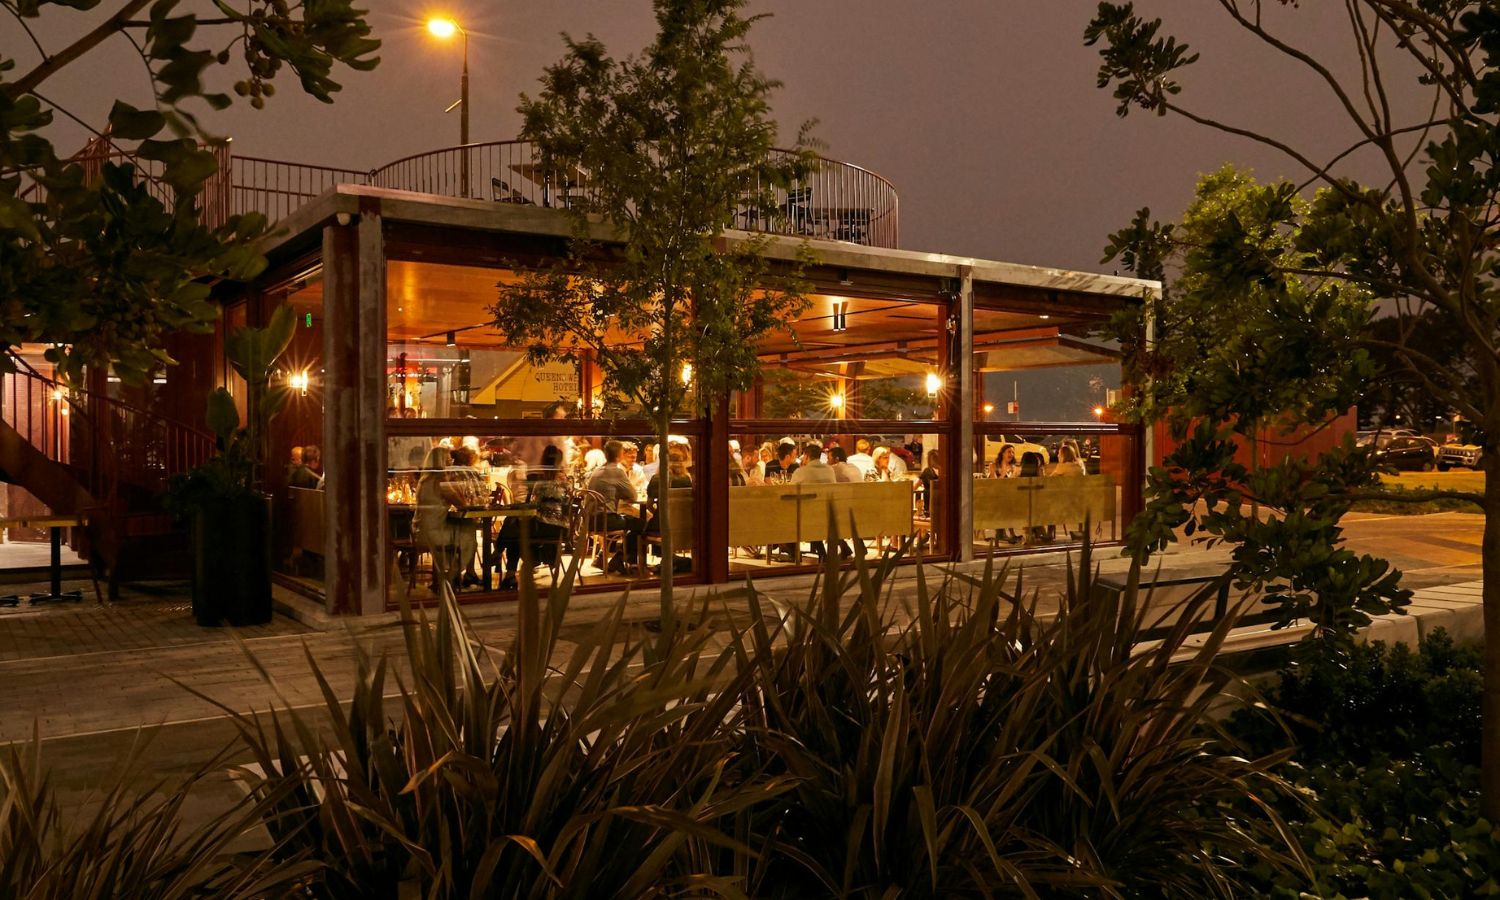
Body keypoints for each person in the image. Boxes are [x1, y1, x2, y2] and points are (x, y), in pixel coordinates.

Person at [493, 444, 570, 590]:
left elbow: (534, 505)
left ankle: (501, 557)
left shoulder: (541, 483)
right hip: (560, 528)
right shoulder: (566, 482)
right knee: (515, 529)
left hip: (545, 527)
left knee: (513, 528)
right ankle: (507, 571)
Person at [584, 439, 644, 573]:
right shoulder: (616, 471)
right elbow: (633, 496)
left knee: (630, 521)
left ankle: (613, 559)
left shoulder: (597, 470)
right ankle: (623, 560)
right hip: (605, 519)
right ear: (619, 455)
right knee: (641, 524)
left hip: (590, 520)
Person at [414, 447, 466, 594]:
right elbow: (462, 504)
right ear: (442, 461)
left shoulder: (423, 481)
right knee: (468, 535)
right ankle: (451, 576)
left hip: (418, 533)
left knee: (456, 532)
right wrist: (455, 483)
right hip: (434, 535)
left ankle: (447, 577)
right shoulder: (441, 481)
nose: (451, 462)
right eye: (448, 459)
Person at [644, 443, 693, 571]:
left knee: (639, 529)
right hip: (683, 524)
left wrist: (660, 511)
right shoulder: (687, 479)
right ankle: (671, 559)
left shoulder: (657, 479)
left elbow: (648, 505)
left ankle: (637, 564)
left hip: (662, 525)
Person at [919, 449, 940, 516]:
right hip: (934, 499)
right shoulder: (943, 471)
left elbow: (917, 484)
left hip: (932, 499)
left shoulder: (927, 471)